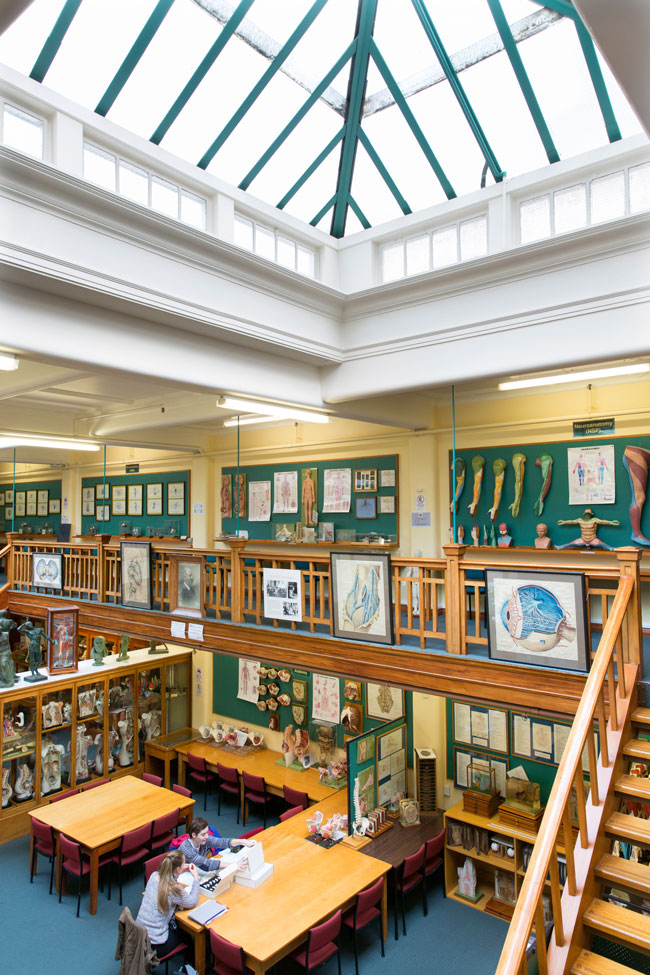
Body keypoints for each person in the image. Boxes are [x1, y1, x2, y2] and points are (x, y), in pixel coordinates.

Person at [136, 850, 199, 959]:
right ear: (178, 869)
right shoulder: (174, 888)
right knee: (186, 935)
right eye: (184, 863)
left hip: (138, 935)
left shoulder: (153, 876)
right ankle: (192, 964)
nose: (186, 865)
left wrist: (177, 873)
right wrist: (196, 879)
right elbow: (192, 901)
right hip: (154, 945)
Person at [179, 817, 255, 872]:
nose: (206, 837)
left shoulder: (203, 839)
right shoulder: (186, 849)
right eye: (203, 834)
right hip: (182, 875)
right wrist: (233, 865)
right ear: (194, 835)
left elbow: (222, 842)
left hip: (194, 869)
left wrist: (243, 841)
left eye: (207, 833)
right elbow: (206, 863)